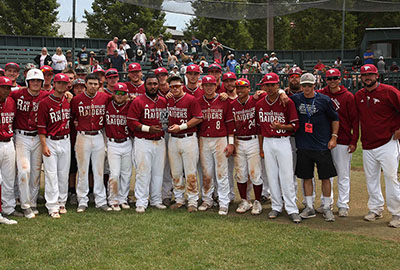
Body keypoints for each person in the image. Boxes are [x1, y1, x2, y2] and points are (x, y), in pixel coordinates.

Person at [355, 64, 400, 228]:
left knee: (391, 177)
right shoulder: (359, 95)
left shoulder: (389, 91)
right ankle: (375, 209)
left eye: (370, 75)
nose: (367, 78)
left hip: (387, 142)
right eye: (364, 75)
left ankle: (397, 213)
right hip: (367, 144)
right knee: (371, 179)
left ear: (377, 76)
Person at [290, 73, 339, 222]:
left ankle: (326, 207)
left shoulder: (324, 100)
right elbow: (282, 98)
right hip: (304, 145)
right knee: (306, 177)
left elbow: (335, 118)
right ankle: (309, 206)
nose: (306, 88)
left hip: (322, 145)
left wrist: (334, 137)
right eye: (303, 85)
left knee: (325, 178)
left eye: (309, 85)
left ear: (314, 85)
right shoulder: (296, 99)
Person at [256, 73, 301, 223]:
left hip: (283, 140)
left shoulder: (287, 102)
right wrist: (261, 147)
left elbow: (295, 125)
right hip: (268, 141)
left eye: (272, 85)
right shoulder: (260, 104)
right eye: (266, 85)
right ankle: (276, 206)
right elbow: (259, 129)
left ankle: (292, 208)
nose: (269, 88)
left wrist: (282, 126)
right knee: (271, 176)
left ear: (278, 85)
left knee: (287, 176)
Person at [317, 69, 359, 217]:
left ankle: (343, 204)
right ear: (325, 80)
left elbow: (355, 120)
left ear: (340, 79)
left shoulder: (348, 96)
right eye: (329, 79)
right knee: (325, 174)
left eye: (335, 78)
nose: (332, 81)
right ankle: (326, 203)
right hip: (323, 140)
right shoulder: (321, 93)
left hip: (342, 140)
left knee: (343, 174)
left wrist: (354, 140)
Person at [10, 68, 50, 219]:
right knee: (24, 170)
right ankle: (25, 204)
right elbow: (6, 92)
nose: (35, 83)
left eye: (38, 81)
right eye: (32, 80)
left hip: (38, 137)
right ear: (27, 82)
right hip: (22, 136)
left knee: (35, 172)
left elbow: (59, 96)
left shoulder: (46, 95)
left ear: (42, 82)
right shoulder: (17, 93)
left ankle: (32, 203)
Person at [70, 73, 112, 213]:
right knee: (82, 170)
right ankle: (82, 200)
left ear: (99, 85)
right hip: (83, 136)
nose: (93, 86)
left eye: (96, 84)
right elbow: (73, 116)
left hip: (98, 135)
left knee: (98, 170)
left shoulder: (104, 97)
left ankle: (101, 200)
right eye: (90, 83)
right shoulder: (76, 100)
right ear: (85, 84)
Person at [127, 74, 168, 213]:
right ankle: (141, 201)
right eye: (150, 84)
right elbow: (132, 122)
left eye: (155, 84)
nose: (152, 86)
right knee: (143, 172)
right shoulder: (138, 101)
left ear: (159, 85)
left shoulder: (163, 101)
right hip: (143, 141)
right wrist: (147, 128)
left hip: (159, 141)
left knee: (158, 173)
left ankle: (156, 200)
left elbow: (166, 121)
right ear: (145, 85)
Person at [196, 75, 235, 215]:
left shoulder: (224, 100)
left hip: (220, 139)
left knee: (222, 172)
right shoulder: (198, 101)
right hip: (204, 139)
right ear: (202, 86)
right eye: (206, 85)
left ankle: (224, 202)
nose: (209, 87)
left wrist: (231, 144)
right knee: (206, 173)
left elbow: (230, 124)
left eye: (211, 85)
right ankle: (207, 199)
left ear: (216, 86)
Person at [166, 76, 203, 212]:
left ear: (182, 85)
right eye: (172, 86)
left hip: (188, 138)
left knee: (190, 172)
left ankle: (193, 200)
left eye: (177, 86)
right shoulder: (169, 99)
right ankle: (179, 199)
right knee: (175, 172)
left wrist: (181, 127)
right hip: (173, 139)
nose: (175, 89)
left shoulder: (190, 99)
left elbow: (198, 118)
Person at [37, 73, 71, 218]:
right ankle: (52, 206)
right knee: (51, 174)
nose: (62, 86)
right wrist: (44, 145)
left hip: (65, 139)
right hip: (50, 140)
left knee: (63, 173)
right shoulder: (45, 103)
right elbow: (41, 128)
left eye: (64, 84)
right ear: (54, 84)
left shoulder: (68, 100)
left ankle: (61, 201)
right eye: (59, 83)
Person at [230, 78, 264, 215]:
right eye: (237, 88)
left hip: (253, 140)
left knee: (255, 173)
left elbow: (272, 93)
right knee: (240, 173)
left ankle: (257, 201)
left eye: (243, 88)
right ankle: (245, 200)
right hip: (239, 140)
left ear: (249, 89)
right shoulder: (232, 104)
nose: (240, 91)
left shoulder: (255, 101)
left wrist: (261, 147)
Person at [105, 82, 132, 211]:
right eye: (117, 92)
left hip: (127, 142)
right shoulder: (107, 104)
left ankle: (123, 198)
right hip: (112, 143)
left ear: (127, 94)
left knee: (126, 173)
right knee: (114, 174)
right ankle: (113, 199)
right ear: (113, 93)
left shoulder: (131, 105)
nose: (120, 95)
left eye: (123, 93)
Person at [0, 76, 18, 224]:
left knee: (9, 178)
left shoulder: (12, 102)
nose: (6, 90)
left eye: (8, 88)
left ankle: (9, 208)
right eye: (3, 87)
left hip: (9, 142)